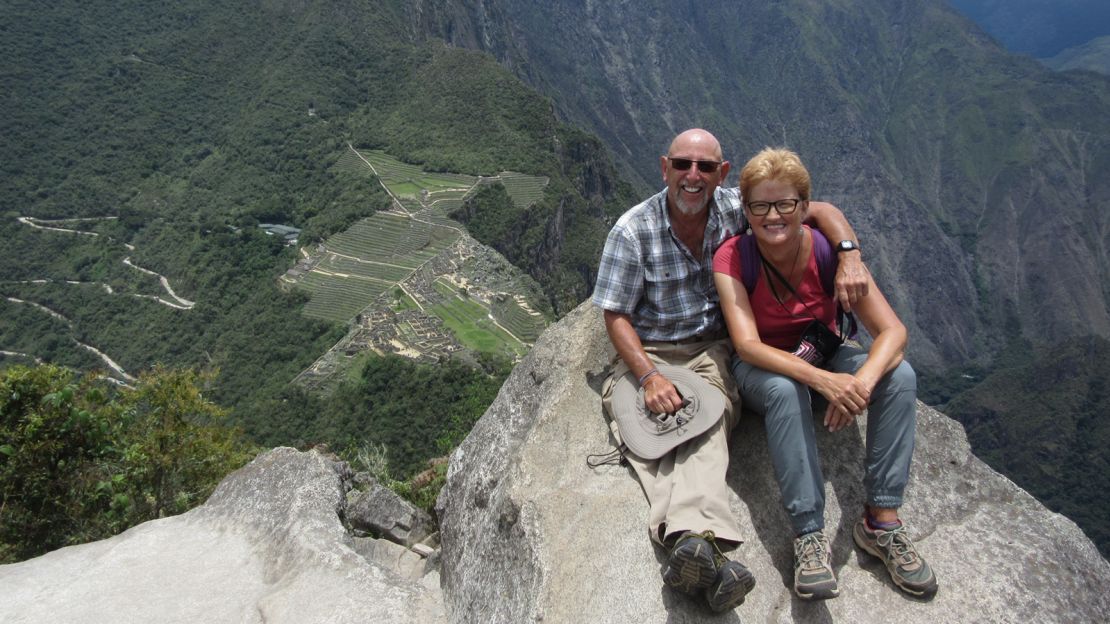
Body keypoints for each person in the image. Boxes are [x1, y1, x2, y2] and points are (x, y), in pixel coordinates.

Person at [593, 129, 869, 612]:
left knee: (707, 418)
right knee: (649, 434)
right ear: (665, 168)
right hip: (652, 349)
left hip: (711, 350)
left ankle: (692, 545)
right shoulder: (632, 230)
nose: (692, 176)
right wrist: (648, 376)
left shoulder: (735, 209)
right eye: (682, 165)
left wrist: (847, 252)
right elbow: (614, 314)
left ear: (722, 174)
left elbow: (815, 210)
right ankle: (701, 547)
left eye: (705, 167)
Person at [712, 147, 938, 601]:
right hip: (765, 366)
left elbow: (892, 331)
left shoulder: (830, 254)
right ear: (747, 210)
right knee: (784, 389)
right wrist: (823, 382)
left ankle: (881, 520)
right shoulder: (733, 257)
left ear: (804, 206)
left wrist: (860, 385)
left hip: (828, 351)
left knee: (902, 377)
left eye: (785, 204)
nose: (773, 216)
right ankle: (809, 535)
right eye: (760, 205)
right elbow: (747, 344)